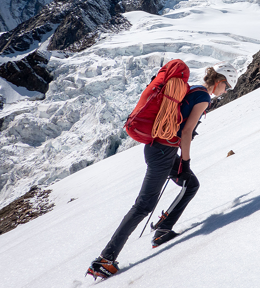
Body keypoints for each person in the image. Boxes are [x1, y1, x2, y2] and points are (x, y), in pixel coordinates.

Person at [86, 63, 239, 280]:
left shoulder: (194, 88)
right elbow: (186, 132)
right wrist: (185, 162)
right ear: (220, 81)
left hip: (158, 149)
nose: (226, 91)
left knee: (191, 185)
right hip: (163, 153)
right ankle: (105, 259)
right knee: (143, 206)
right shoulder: (204, 97)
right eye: (228, 86)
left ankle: (163, 230)